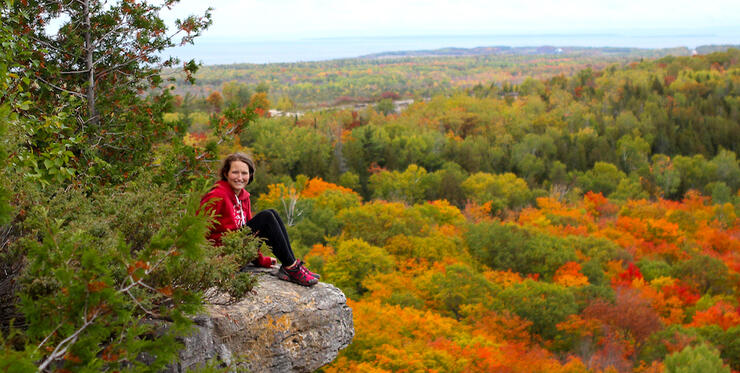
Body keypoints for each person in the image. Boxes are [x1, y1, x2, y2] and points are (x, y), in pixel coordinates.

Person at [200, 152, 319, 286]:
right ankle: (292, 268)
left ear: (250, 175)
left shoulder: (243, 197)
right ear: (226, 173)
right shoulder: (216, 196)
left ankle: (292, 265)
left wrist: (261, 261)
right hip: (223, 257)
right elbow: (198, 231)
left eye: (244, 173)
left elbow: (253, 235)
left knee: (271, 213)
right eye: (235, 172)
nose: (240, 177)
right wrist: (210, 264)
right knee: (266, 217)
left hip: (237, 251)